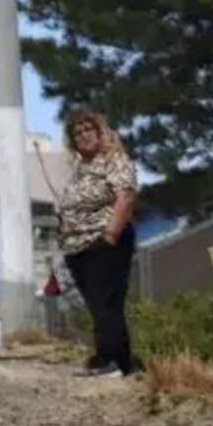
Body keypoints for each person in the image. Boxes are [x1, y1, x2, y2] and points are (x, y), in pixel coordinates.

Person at [56, 111, 141, 377]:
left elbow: (125, 196)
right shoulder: (81, 169)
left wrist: (110, 235)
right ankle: (118, 360)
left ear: (100, 131)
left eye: (87, 129)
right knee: (98, 305)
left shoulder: (114, 161)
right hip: (79, 247)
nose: (83, 136)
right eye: (77, 133)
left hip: (103, 242)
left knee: (106, 302)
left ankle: (109, 361)